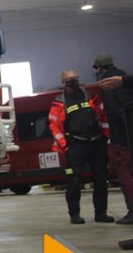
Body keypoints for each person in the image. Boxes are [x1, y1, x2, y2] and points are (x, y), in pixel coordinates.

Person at [48, 69, 113, 224]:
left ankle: (101, 213)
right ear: (63, 83)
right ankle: (74, 214)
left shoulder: (90, 96)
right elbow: (54, 126)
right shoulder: (60, 101)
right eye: (69, 80)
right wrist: (65, 146)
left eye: (75, 78)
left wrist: (106, 136)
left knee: (100, 180)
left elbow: (103, 115)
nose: (73, 82)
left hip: (96, 144)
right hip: (75, 146)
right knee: (74, 181)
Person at [93, 53, 133, 224]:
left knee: (125, 172)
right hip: (128, 133)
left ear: (100, 68)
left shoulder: (108, 83)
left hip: (122, 137)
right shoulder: (124, 76)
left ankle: (132, 211)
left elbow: (115, 112)